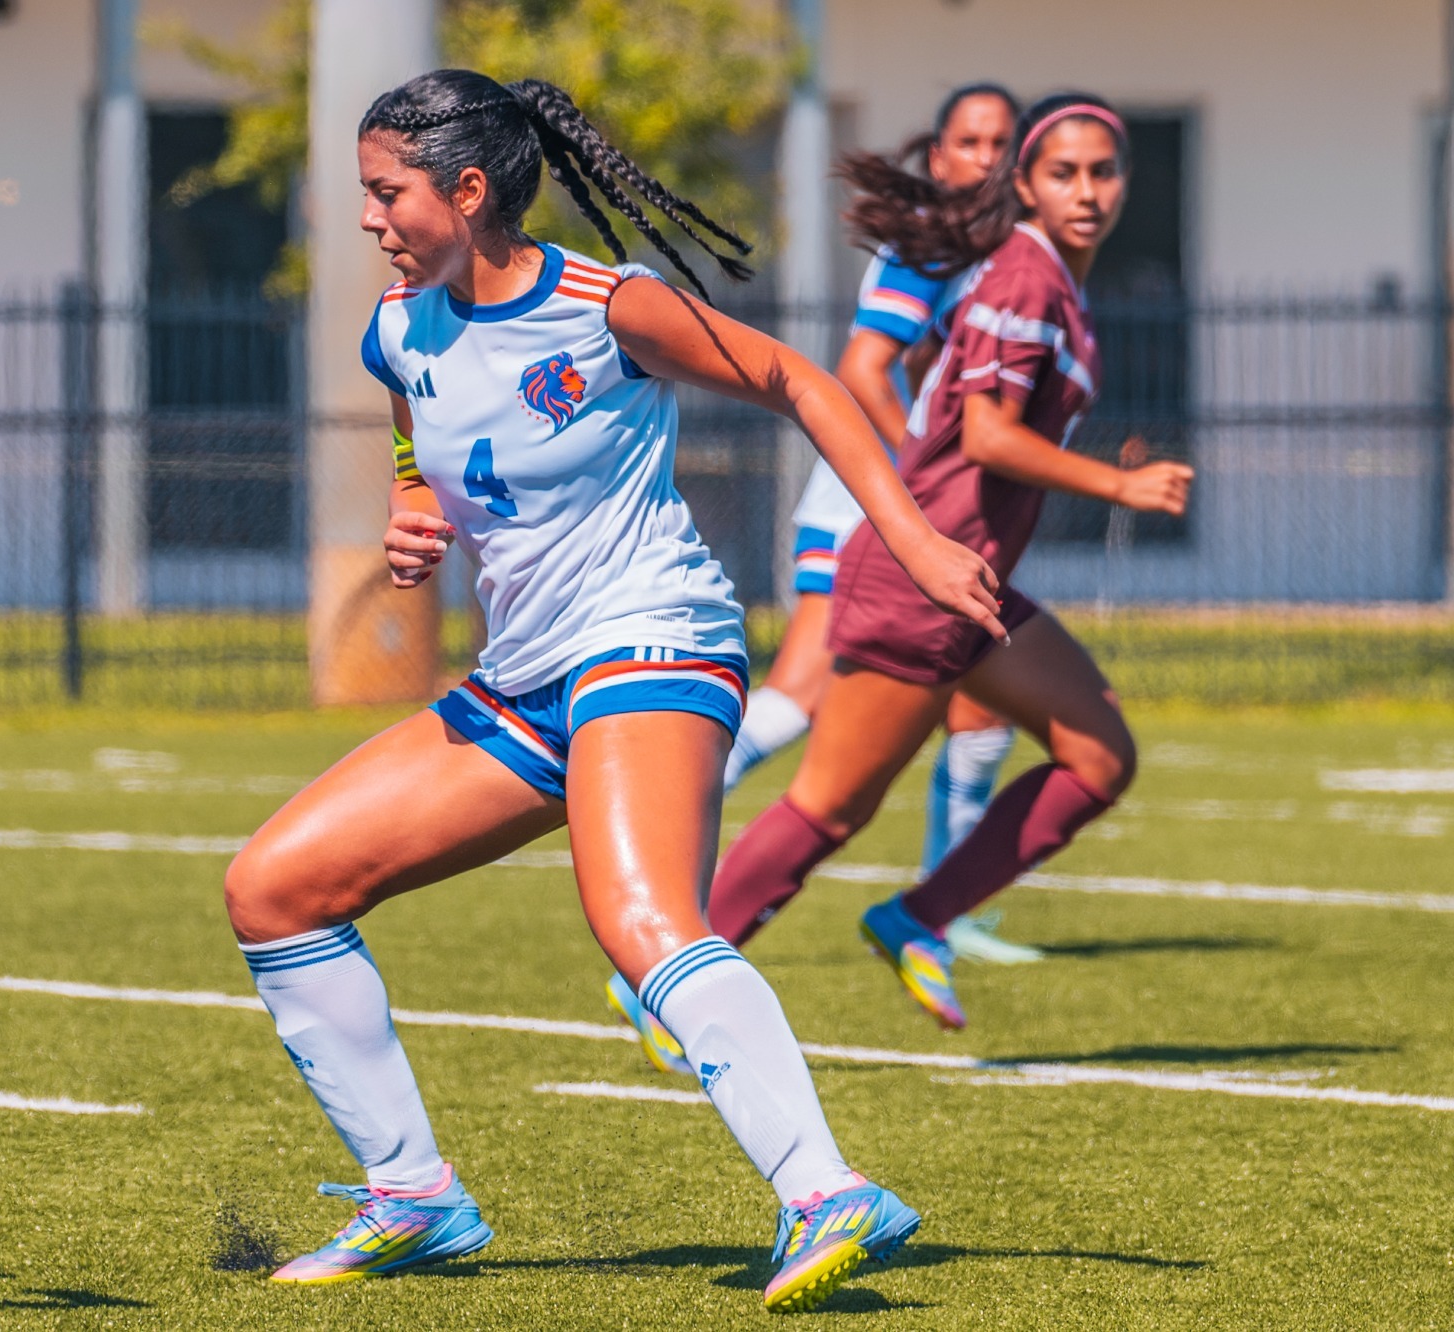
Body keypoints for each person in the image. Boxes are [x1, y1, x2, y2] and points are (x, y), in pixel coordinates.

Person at [222, 68, 1004, 1314]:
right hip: (520, 682)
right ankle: (414, 1197)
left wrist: (907, 539)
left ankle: (822, 1188)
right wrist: (411, 512)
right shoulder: (396, 321)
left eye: (386, 193)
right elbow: (418, 428)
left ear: (467, 191)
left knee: (638, 916)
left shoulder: (609, 305)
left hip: (653, 640)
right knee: (272, 889)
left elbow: (800, 382)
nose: (368, 216)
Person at [706, 92, 1193, 1031]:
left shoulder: (1048, 276)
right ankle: (665, 976)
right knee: (830, 807)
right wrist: (1117, 487)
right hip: (919, 578)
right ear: (1026, 184)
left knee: (1099, 754)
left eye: (1104, 170)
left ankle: (917, 917)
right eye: (1064, 172)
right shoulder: (1026, 276)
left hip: (967, 583)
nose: (1087, 190)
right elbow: (985, 433)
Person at [725, 82, 1042, 968]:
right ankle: (661, 839)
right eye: (971, 142)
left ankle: (949, 908)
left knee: (985, 703)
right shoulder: (930, 243)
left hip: (926, 516)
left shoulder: (995, 252)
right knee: (799, 698)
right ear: (938, 158)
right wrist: (923, 486)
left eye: (1002, 143)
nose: (988, 158)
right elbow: (864, 369)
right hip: (872, 512)